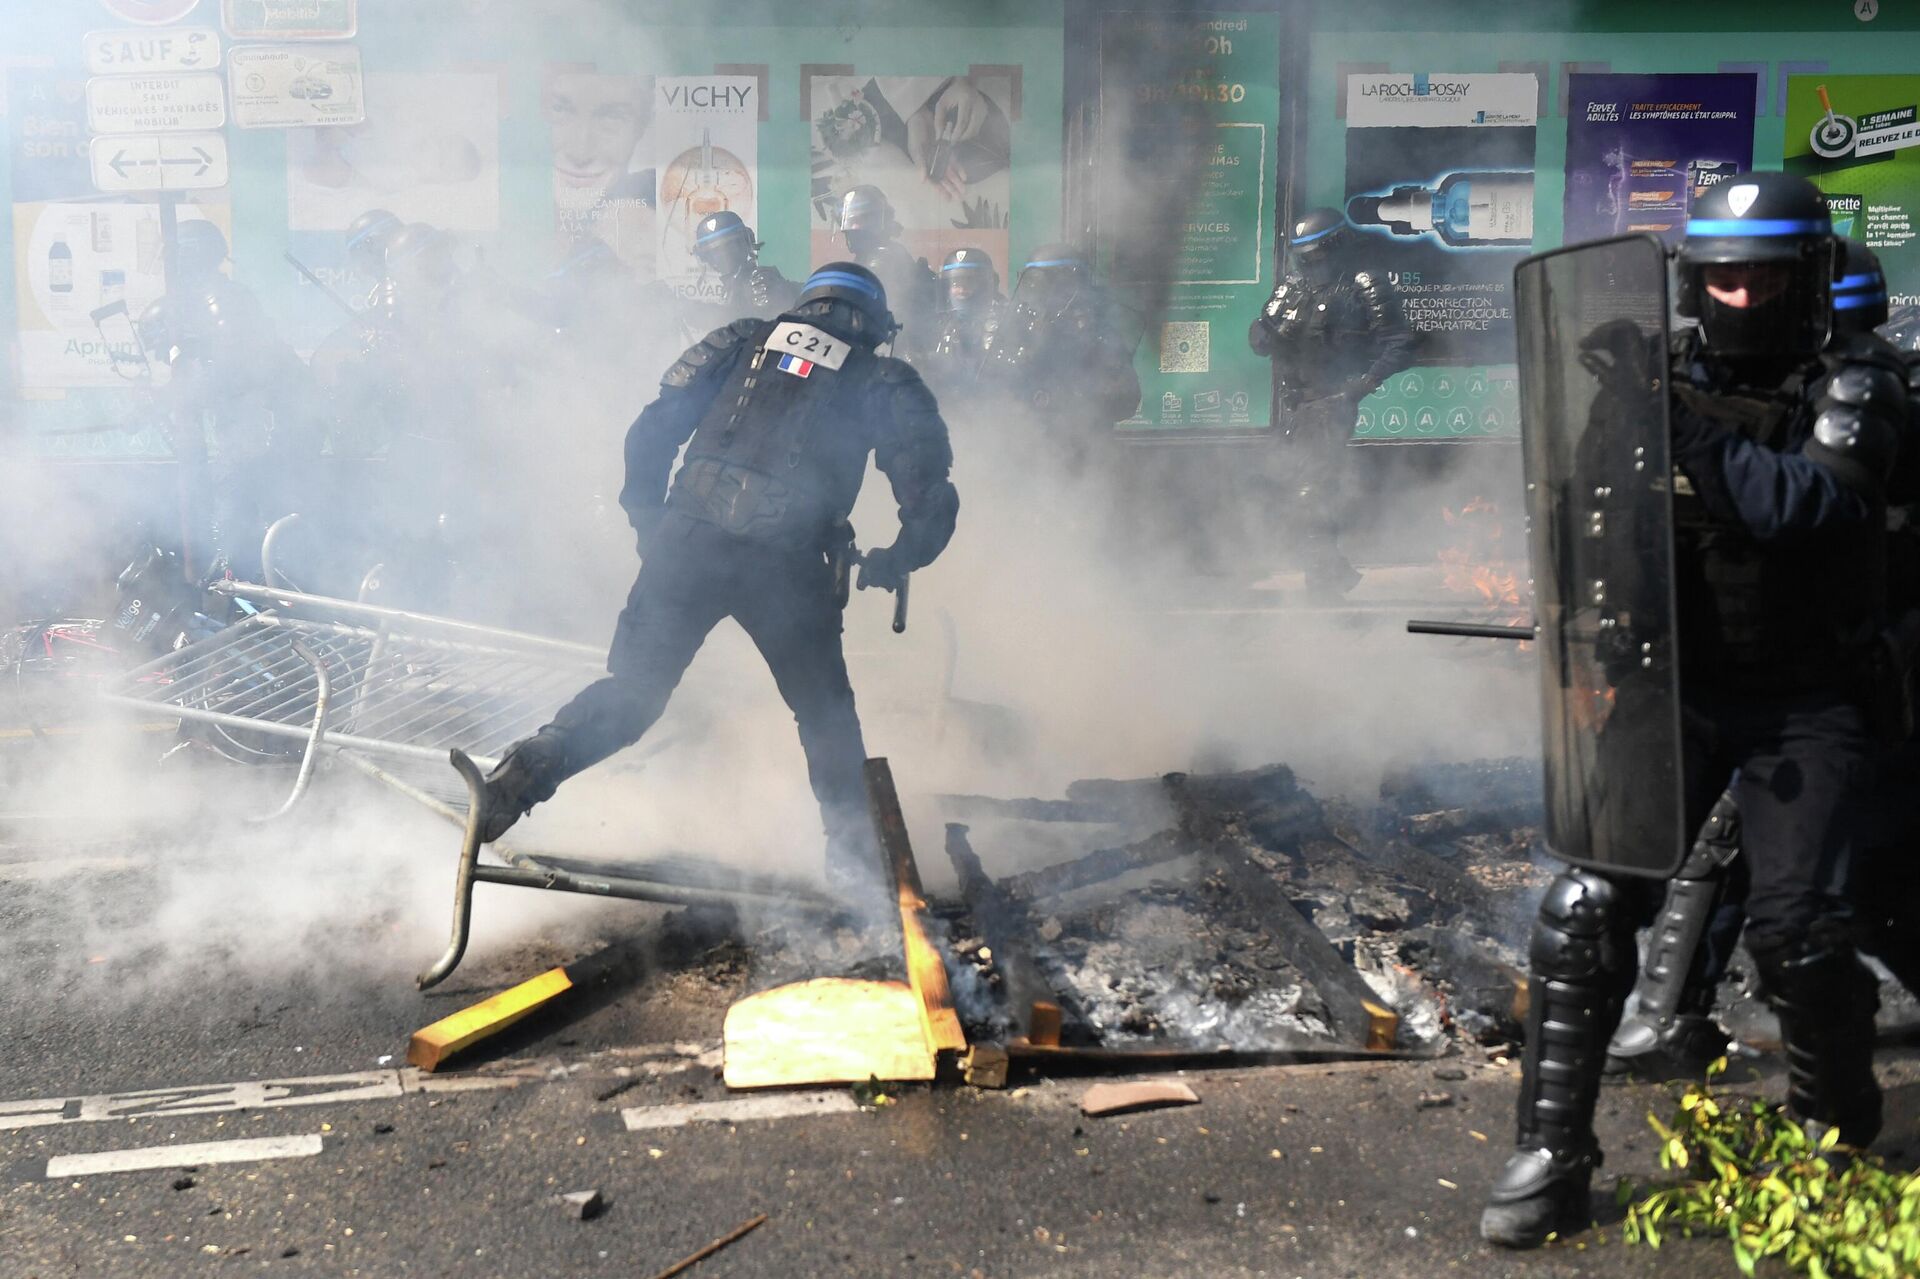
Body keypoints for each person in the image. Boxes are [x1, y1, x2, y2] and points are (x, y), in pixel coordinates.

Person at [1483, 173, 1907, 1249]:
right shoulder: (1654, 382)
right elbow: (1586, 508)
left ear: (1805, 278)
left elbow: (1798, 507)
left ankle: (1833, 1131)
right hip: (1674, 688)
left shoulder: (1855, 385)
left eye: (1761, 278)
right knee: (1584, 909)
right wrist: (1589, 633)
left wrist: (1679, 429)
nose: (1739, 298)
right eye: (1720, 277)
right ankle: (1551, 1152)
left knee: (1797, 936)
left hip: (1807, 703)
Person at [471, 262, 959, 890]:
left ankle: (531, 765)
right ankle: (854, 865)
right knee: (825, 715)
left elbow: (650, 431)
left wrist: (651, 519)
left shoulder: (740, 341)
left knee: (634, 691)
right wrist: (899, 558)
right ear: (871, 322)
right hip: (786, 564)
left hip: (687, 544)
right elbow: (930, 493)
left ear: (810, 305)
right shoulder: (882, 377)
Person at [1601, 238, 1920, 1080]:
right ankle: (1676, 1012)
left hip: (1868, 664)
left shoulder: (1874, 395)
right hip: (1791, 668)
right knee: (1753, 849)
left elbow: (1820, 514)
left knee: (1851, 885)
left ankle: (1682, 1014)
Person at [1248, 208, 1414, 600]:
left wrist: (1361, 385)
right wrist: (1271, 329)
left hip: (1331, 400)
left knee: (1311, 490)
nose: (1306, 265)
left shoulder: (1364, 284)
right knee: (1294, 488)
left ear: (1335, 248)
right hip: (1297, 404)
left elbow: (1400, 341)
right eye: (1300, 257)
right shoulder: (1295, 287)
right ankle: (1328, 574)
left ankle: (1325, 580)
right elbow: (1260, 341)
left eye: (1313, 256)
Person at [978, 244, 1141, 457]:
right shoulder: (1017, 329)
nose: (1049, 294)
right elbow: (991, 386)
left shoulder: (1098, 333)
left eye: (1058, 283)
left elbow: (1126, 398)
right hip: (1025, 450)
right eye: (1040, 283)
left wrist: (1076, 399)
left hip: (1085, 451)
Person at [837, 186, 937, 359]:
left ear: (879, 221)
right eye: (850, 220)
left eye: (860, 220)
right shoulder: (868, 255)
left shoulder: (884, 257)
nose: (853, 227)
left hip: (892, 348)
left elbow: (879, 307)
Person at [681, 210, 798, 326]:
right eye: (715, 251)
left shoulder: (759, 283)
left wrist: (688, 309)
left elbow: (735, 319)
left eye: (730, 245)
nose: (725, 254)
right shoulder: (733, 285)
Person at [922, 246, 1005, 399]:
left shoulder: (1003, 323)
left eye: (968, 284)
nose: (961, 290)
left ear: (984, 286)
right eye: (955, 284)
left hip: (992, 403)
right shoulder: (938, 325)